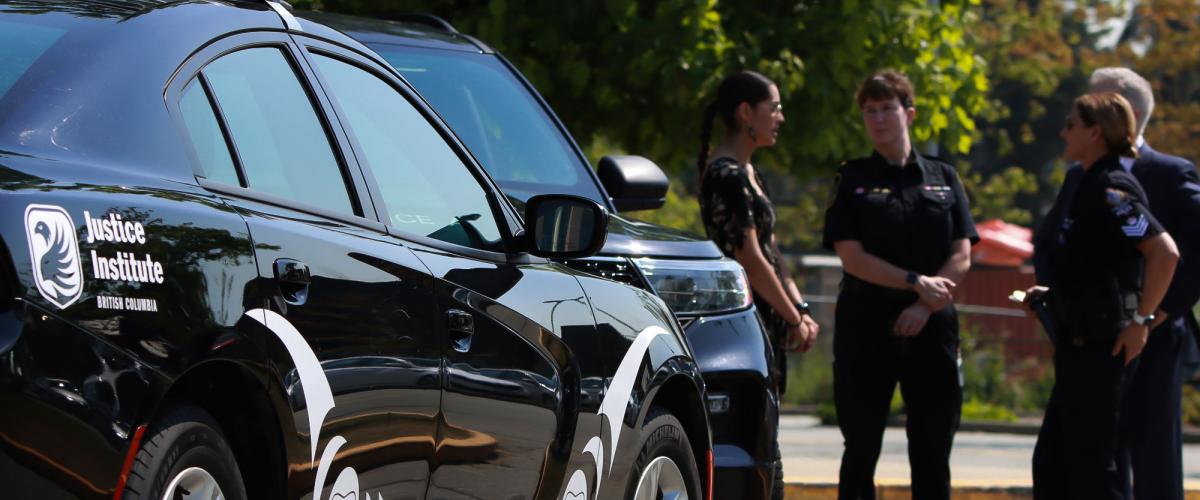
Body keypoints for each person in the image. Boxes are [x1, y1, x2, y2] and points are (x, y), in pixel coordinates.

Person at [822, 70, 977, 500]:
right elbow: (852, 258)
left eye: (887, 108)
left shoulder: (943, 176)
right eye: (869, 111)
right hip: (867, 326)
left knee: (932, 446)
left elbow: (962, 253)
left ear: (908, 113)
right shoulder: (852, 178)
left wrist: (924, 305)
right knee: (861, 445)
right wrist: (914, 283)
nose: (878, 119)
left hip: (931, 327)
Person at [1026, 92, 1179, 499]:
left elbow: (1164, 253)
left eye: (1071, 125)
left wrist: (1142, 321)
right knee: (1053, 464)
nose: (1063, 133)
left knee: (1092, 470)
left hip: (1100, 349)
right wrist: (1052, 294)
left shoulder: (1112, 189)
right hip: (1076, 344)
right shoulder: (1086, 183)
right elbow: (1095, 263)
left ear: (1095, 133)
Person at [1087, 68, 1200, 500]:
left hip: (1153, 334)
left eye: (1095, 105)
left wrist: (1155, 313)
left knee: (1154, 456)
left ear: (1128, 113)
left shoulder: (1171, 173)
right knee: (1101, 456)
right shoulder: (1083, 174)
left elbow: (1192, 252)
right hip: (1098, 334)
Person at [698, 70, 820, 385]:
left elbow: (772, 251)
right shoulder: (727, 175)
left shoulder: (750, 172)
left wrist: (799, 310)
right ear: (746, 112)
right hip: (744, 322)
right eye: (775, 108)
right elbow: (750, 257)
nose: (781, 117)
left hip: (770, 319)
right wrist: (794, 321)